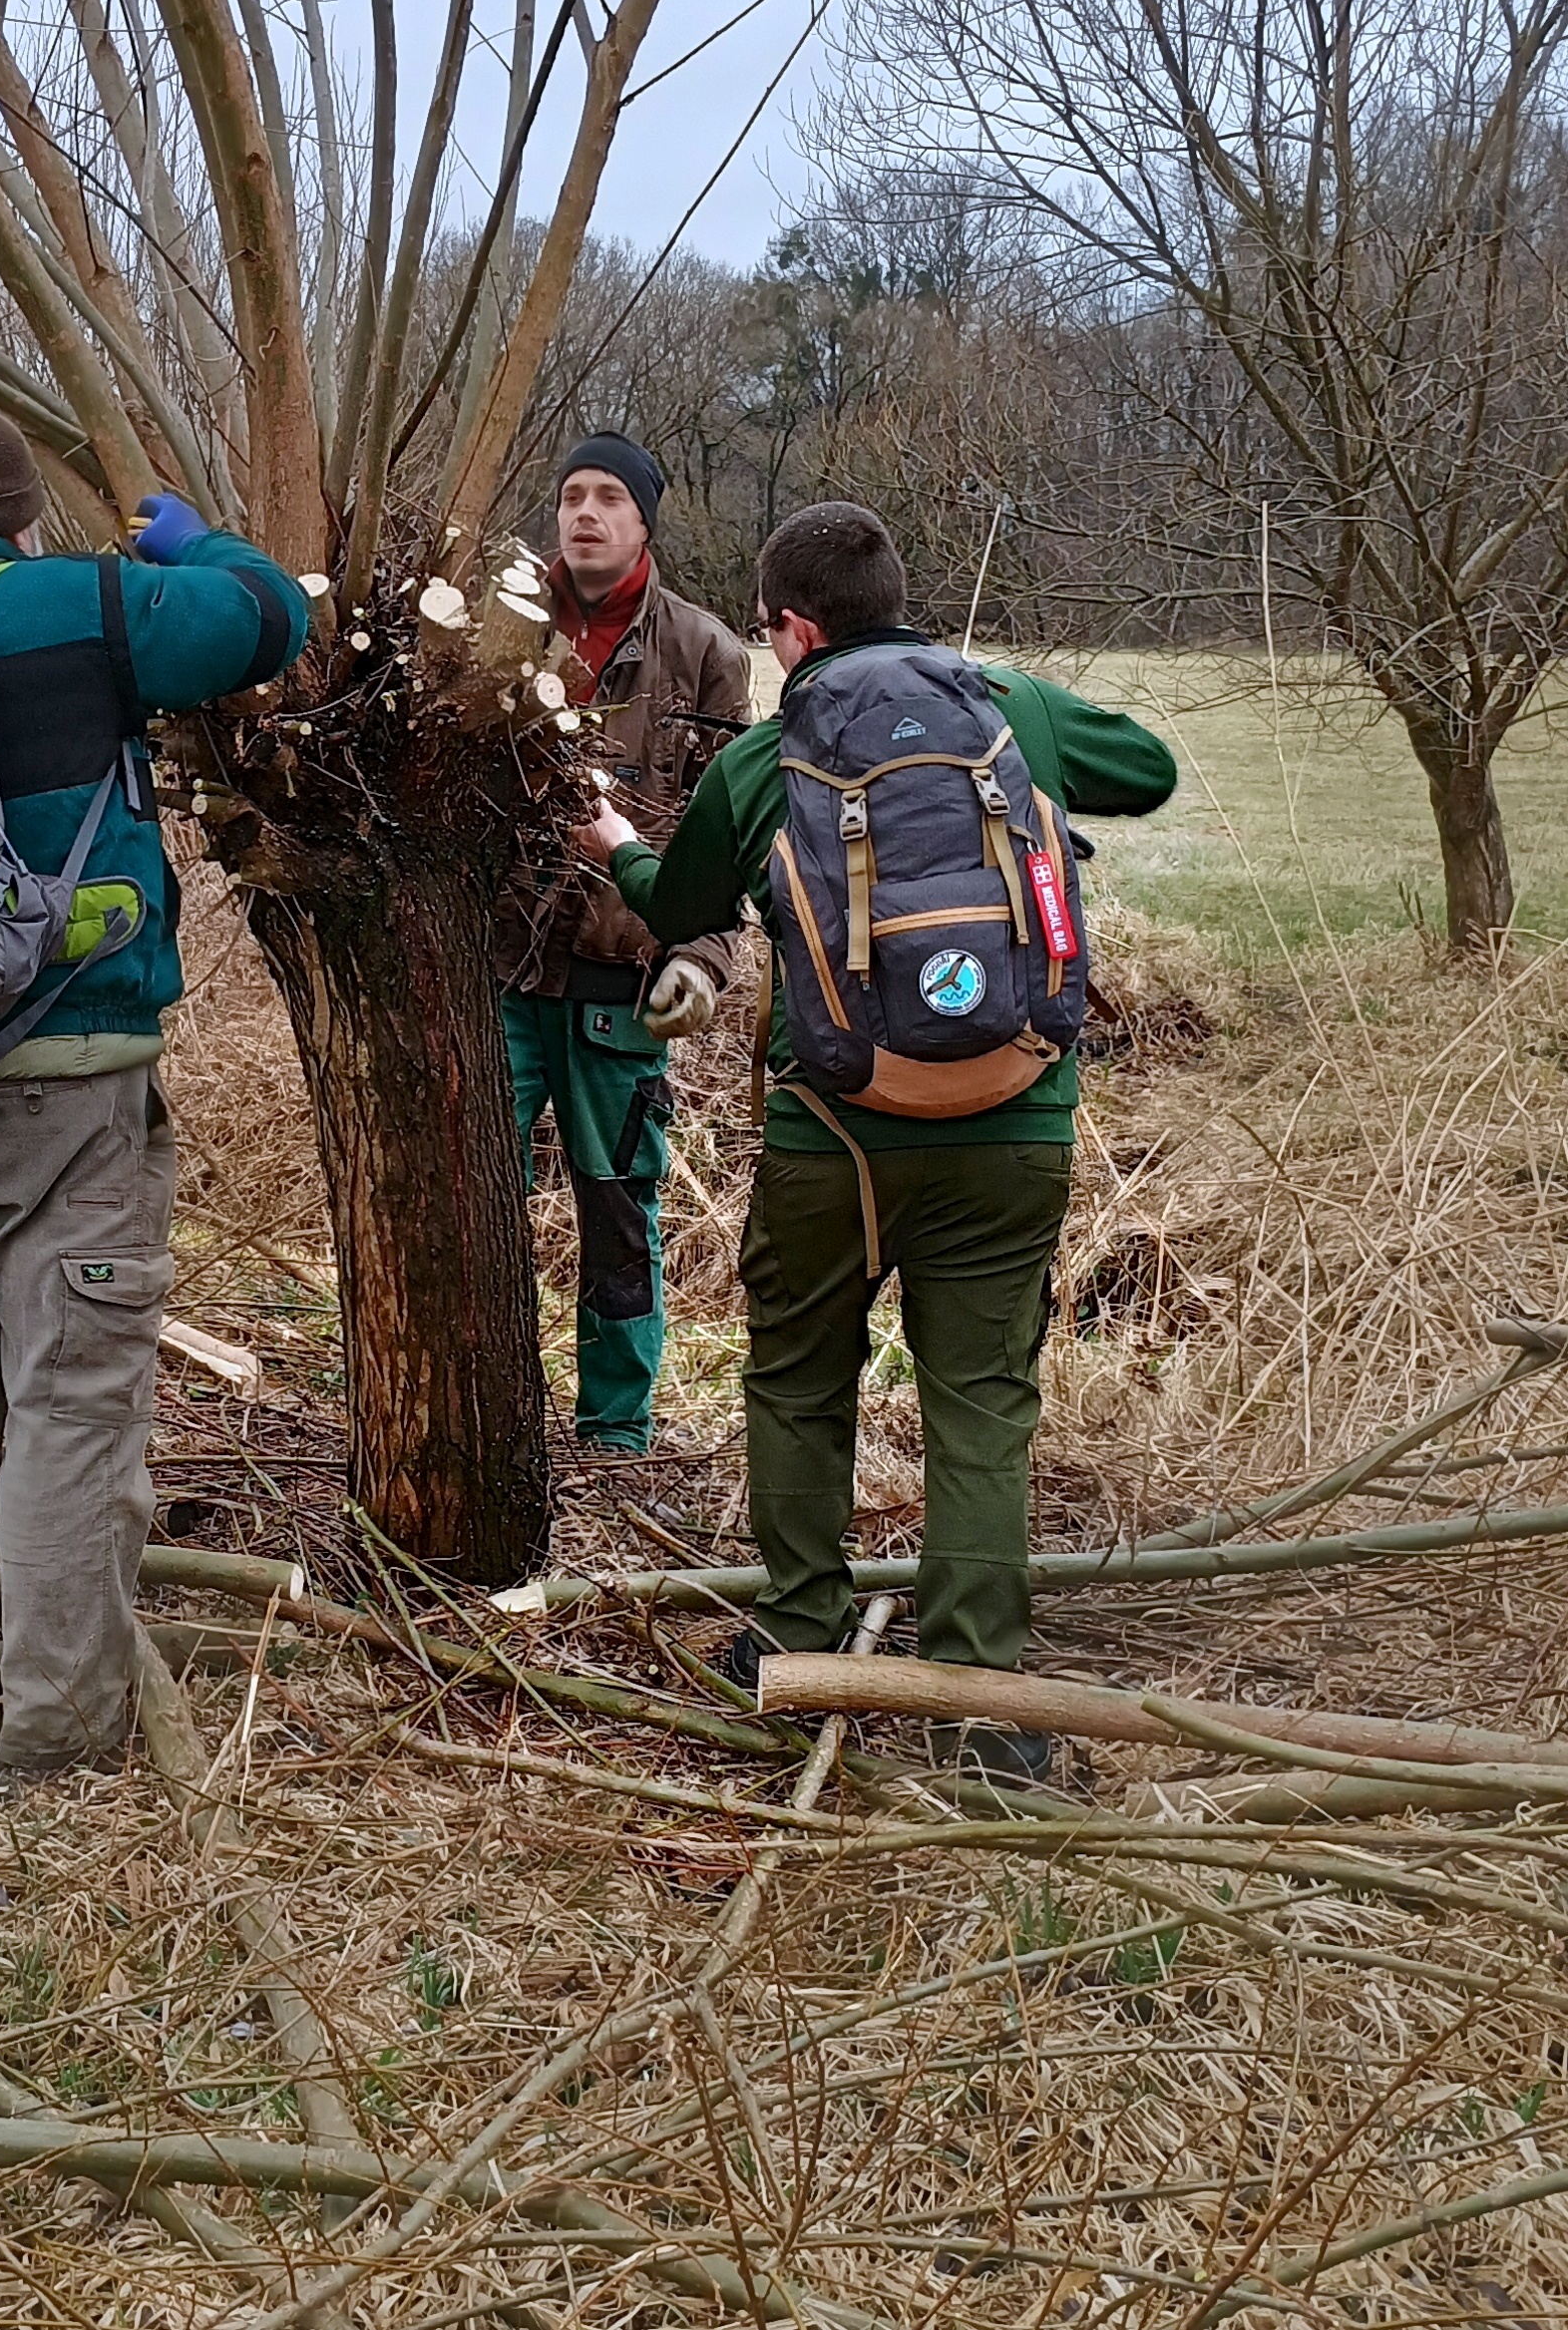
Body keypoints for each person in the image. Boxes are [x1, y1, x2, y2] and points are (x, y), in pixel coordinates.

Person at [580, 501, 1176, 1778]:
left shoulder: (765, 757)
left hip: (834, 1136)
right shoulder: (1009, 702)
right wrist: (1013, 711)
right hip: (1016, 1122)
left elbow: (677, 906)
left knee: (800, 1381)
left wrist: (621, 849)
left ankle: (797, 1643)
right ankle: (982, 1703)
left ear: (795, 627)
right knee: (983, 1403)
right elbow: (1152, 772)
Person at [0, 397, 308, 1784]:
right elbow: (265, 619)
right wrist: (199, 540)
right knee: (72, 1405)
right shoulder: (74, 602)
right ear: (15, 507)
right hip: (67, 1078)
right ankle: (53, 1751)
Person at [496, 435, 752, 1454]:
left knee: (616, 1209)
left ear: (646, 520)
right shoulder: (501, 634)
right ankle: (490, 1406)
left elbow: (726, 837)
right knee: (478, 1198)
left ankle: (614, 1431)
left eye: (608, 497)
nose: (584, 512)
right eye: (569, 495)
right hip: (500, 976)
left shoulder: (707, 653)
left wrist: (702, 958)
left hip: (623, 980)